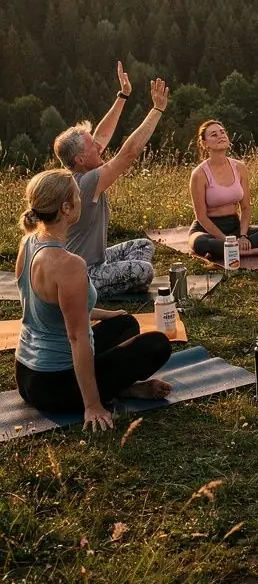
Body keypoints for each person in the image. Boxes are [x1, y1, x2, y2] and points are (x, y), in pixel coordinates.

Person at [14, 170, 172, 431]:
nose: (81, 198)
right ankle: (123, 391)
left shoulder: (29, 242)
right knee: (156, 345)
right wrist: (92, 405)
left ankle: (123, 387)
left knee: (125, 323)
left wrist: (107, 315)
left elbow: (46, 308)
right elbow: (78, 338)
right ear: (66, 208)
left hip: (27, 374)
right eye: (77, 195)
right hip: (55, 386)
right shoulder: (68, 265)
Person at [54, 65, 169, 298]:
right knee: (143, 270)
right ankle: (102, 289)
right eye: (92, 145)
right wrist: (157, 109)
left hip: (97, 259)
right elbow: (130, 152)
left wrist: (123, 95)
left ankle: (118, 281)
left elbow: (102, 135)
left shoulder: (82, 169)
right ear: (80, 158)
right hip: (84, 273)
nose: (99, 145)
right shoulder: (85, 183)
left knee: (143, 246)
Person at [189, 120, 258, 260]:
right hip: (207, 229)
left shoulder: (239, 167)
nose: (220, 136)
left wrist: (242, 236)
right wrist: (226, 240)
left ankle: (229, 251)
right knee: (200, 243)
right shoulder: (199, 174)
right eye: (214, 134)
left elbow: (246, 207)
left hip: (235, 228)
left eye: (222, 132)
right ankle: (248, 251)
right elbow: (201, 217)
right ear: (205, 144)